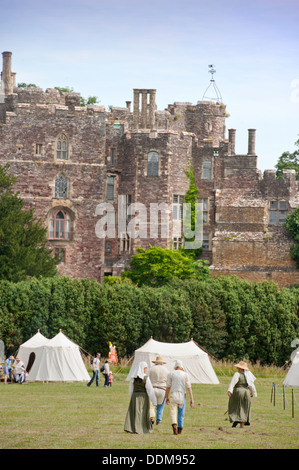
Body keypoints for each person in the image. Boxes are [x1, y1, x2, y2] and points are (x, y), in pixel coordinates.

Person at [124, 361, 157, 434]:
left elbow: (130, 389)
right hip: (143, 397)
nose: (146, 370)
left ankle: (133, 427)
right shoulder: (146, 378)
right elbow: (150, 390)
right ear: (143, 368)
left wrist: (131, 398)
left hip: (135, 397)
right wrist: (154, 401)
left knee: (136, 413)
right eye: (145, 368)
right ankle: (141, 427)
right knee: (142, 413)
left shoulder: (133, 378)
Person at [165, 360, 194, 435]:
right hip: (182, 394)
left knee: (173, 411)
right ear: (181, 367)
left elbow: (168, 386)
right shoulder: (185, 375)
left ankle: (174, 424)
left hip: (173, 393)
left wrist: (166, 397)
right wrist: (191, 399)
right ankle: (180, 428)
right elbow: (189, 387)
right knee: (181, 412)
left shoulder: (171, 374)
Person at [227, 360, 257, 428]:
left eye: (238, 367)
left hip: (238, 392)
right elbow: (251, 385)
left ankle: (236, 420)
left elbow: (232, 383)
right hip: (246, 393)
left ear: (241, 368)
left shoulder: (237, 374)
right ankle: (241, 425)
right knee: (244, 408)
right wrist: (253, 393)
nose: (237, 368)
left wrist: (229, 390)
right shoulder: (248, 376)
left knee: (235, 406)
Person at [149, 356, 169, 425]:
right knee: (160, 406)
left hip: (153, 388)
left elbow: (148, 380)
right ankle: (158, 420)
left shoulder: (152, 369)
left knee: (152, 405)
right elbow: (168, 381)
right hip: (162, 389)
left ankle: (152, 417)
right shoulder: (166, 370)